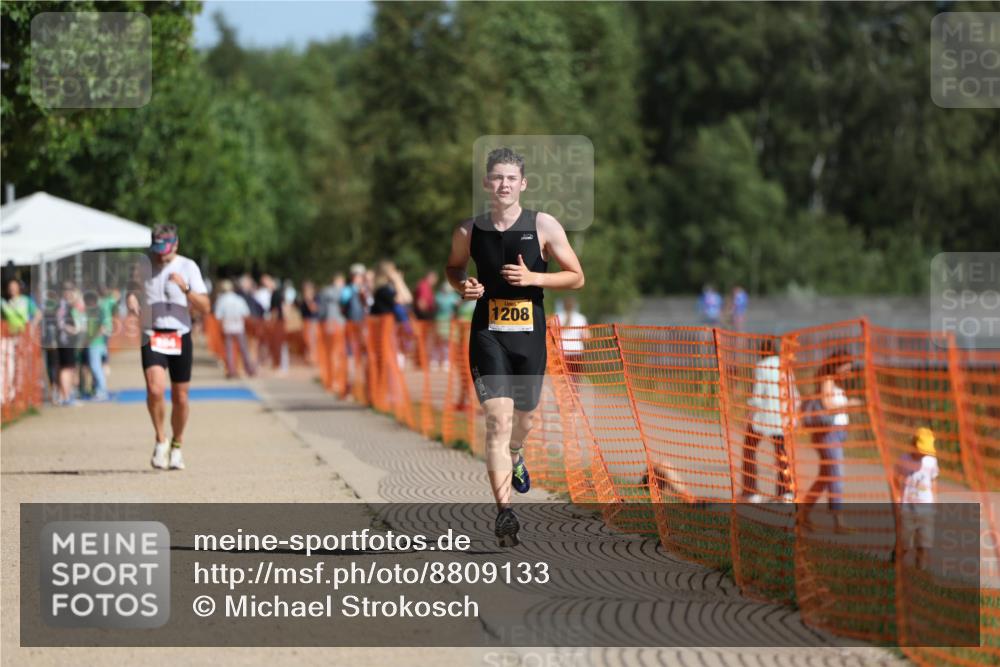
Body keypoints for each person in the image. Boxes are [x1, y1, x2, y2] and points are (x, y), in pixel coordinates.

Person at [445, 147, 585, 546]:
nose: (503, 184)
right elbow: (453, 267)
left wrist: (533, 279)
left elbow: (576, 277)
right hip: (488, 334)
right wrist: (463, 285)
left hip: (529, 337)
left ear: (522, 184)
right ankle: (505, 513)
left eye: (511, 178)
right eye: (496, 178)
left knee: (522, 422)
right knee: (497, 421)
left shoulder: (543, 226)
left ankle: (518, 453)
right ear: (487, 183)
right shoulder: (468, 230)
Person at [126, 224, 209, 470]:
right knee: (155, 389)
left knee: (181, 397)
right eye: (157, 249)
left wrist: (185, 289)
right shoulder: (143, 265)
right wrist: (131, 298)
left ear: (176, 244)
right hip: (152, 334)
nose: (160, 255)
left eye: (165, 249)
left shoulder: (188, 266)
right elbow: (133, 289)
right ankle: (160, 439)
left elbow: (205, 307)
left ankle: (177, 444)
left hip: (180, 335)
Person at [800, 349, 863, 532]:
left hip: (836, 434)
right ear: (837, 365)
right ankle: (838, 522)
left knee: (825, 478)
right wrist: (849, 404)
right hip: (828, 434)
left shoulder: (835, 383)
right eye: (846, 368)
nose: (848, 373)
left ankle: (802, 514)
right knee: (835, 477)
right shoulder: (827, 380)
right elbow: (828, 406)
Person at [742, 338, 797, 502]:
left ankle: (751, 491)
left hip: (764, 416)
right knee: (782, 454)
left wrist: (749, 414)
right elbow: (793, 391)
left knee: (749, 451)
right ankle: (785, 492)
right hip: (784, 416)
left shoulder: (761, 366)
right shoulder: (785, 365)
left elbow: (757, 396)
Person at [894, 427, 939, 570]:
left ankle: (920, 573)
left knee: (923, 545)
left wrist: (934, 501)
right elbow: (895, 478)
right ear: (913, 445)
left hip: (926, 510)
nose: (924, 453)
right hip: (908, 508)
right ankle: (895, 563)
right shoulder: (903, 459)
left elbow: (933, 481)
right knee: (905, 543)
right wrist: (897, 498)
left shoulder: (931, 461)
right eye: (922, 449)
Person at [1, 278, 40, 404]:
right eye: (10, 286)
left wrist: (32, 327)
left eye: (14, 286)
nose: (12, 289)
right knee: (8, 366)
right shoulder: (4, 303)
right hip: (8, 338)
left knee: (22, 365)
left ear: (19, 287)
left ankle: (21, 394)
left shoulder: (26, 301)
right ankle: (8, 394)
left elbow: (38, 314)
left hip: (23, 338)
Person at [213, 279, 256, 378]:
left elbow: (218, 315)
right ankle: (249, 369)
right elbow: (246, 313)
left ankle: (231, 370)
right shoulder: (239, 299)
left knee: (229, 350)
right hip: (239, 327)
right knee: (244, 349)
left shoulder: (222, 300)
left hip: (227, 327)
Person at [83, 290, 112, 401]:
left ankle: (102, 391)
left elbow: (102, 327)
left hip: (96, 344)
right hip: (97, 343)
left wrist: (92, 339)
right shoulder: (92, 312)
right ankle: (99, 390)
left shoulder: (98, 311)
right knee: (96, 367)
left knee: (96, 368)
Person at [555, 296, 588, 375]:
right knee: (575, 378)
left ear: (563, 305)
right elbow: (586, 336)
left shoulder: (557, 317)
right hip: (576, 352)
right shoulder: (580, 318)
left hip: (561, 351)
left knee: (562, 378)